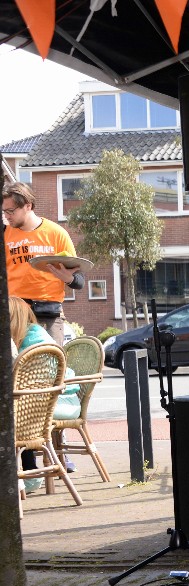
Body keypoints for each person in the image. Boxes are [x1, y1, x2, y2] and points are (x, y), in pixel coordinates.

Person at [10, 296, 82, 485]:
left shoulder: (27, 343)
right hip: (48, 401)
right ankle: (28, 472)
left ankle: (25, 474)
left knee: (14, 413)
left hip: (56, 403)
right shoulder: (37, 335)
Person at [3, 182, 85, 343]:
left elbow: (80, 281)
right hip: (15, 313)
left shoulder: (57, 234)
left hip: (49, 315)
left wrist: (68, 278)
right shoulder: (4, 234)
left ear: (28, 206)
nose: (6, 215)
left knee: (52, 365)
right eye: (4, 211)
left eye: (11, 211)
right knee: (14, 365)